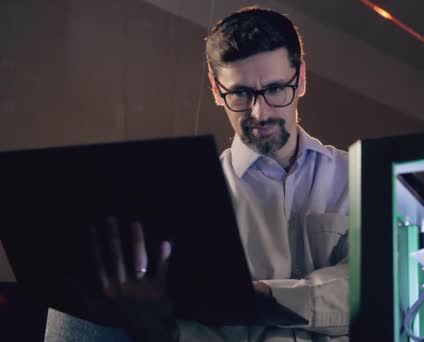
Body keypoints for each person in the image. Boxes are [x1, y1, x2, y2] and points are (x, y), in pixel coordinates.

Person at [45, 6, 349, 342]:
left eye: (276, 89)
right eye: (241, 94)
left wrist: (259, 296)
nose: (260, 112)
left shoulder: (358, 177)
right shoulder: (188, 198)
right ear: (217, 90)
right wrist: (155, 324)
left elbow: (378, 286)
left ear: (301, 78)